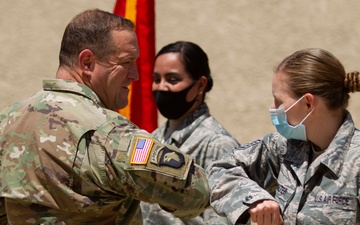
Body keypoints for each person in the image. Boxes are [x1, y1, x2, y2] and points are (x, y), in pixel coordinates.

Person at [0, 9, 210, 224]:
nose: (135, 75)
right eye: (126, 62)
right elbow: (196, 193)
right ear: (87, 62)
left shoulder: (8, 120)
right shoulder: (107, 133)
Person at [207, 48, 360, 225]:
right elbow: (219, 168)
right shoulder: (284, 146)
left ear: (308, 103)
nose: (273, 107)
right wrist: (255, 199)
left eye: (279, 100)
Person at [138, 41, 240, 225]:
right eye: (156, 79)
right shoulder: (152, 138)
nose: (161, 87)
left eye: (172, 79)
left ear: (200, 85)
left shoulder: (217, 144)